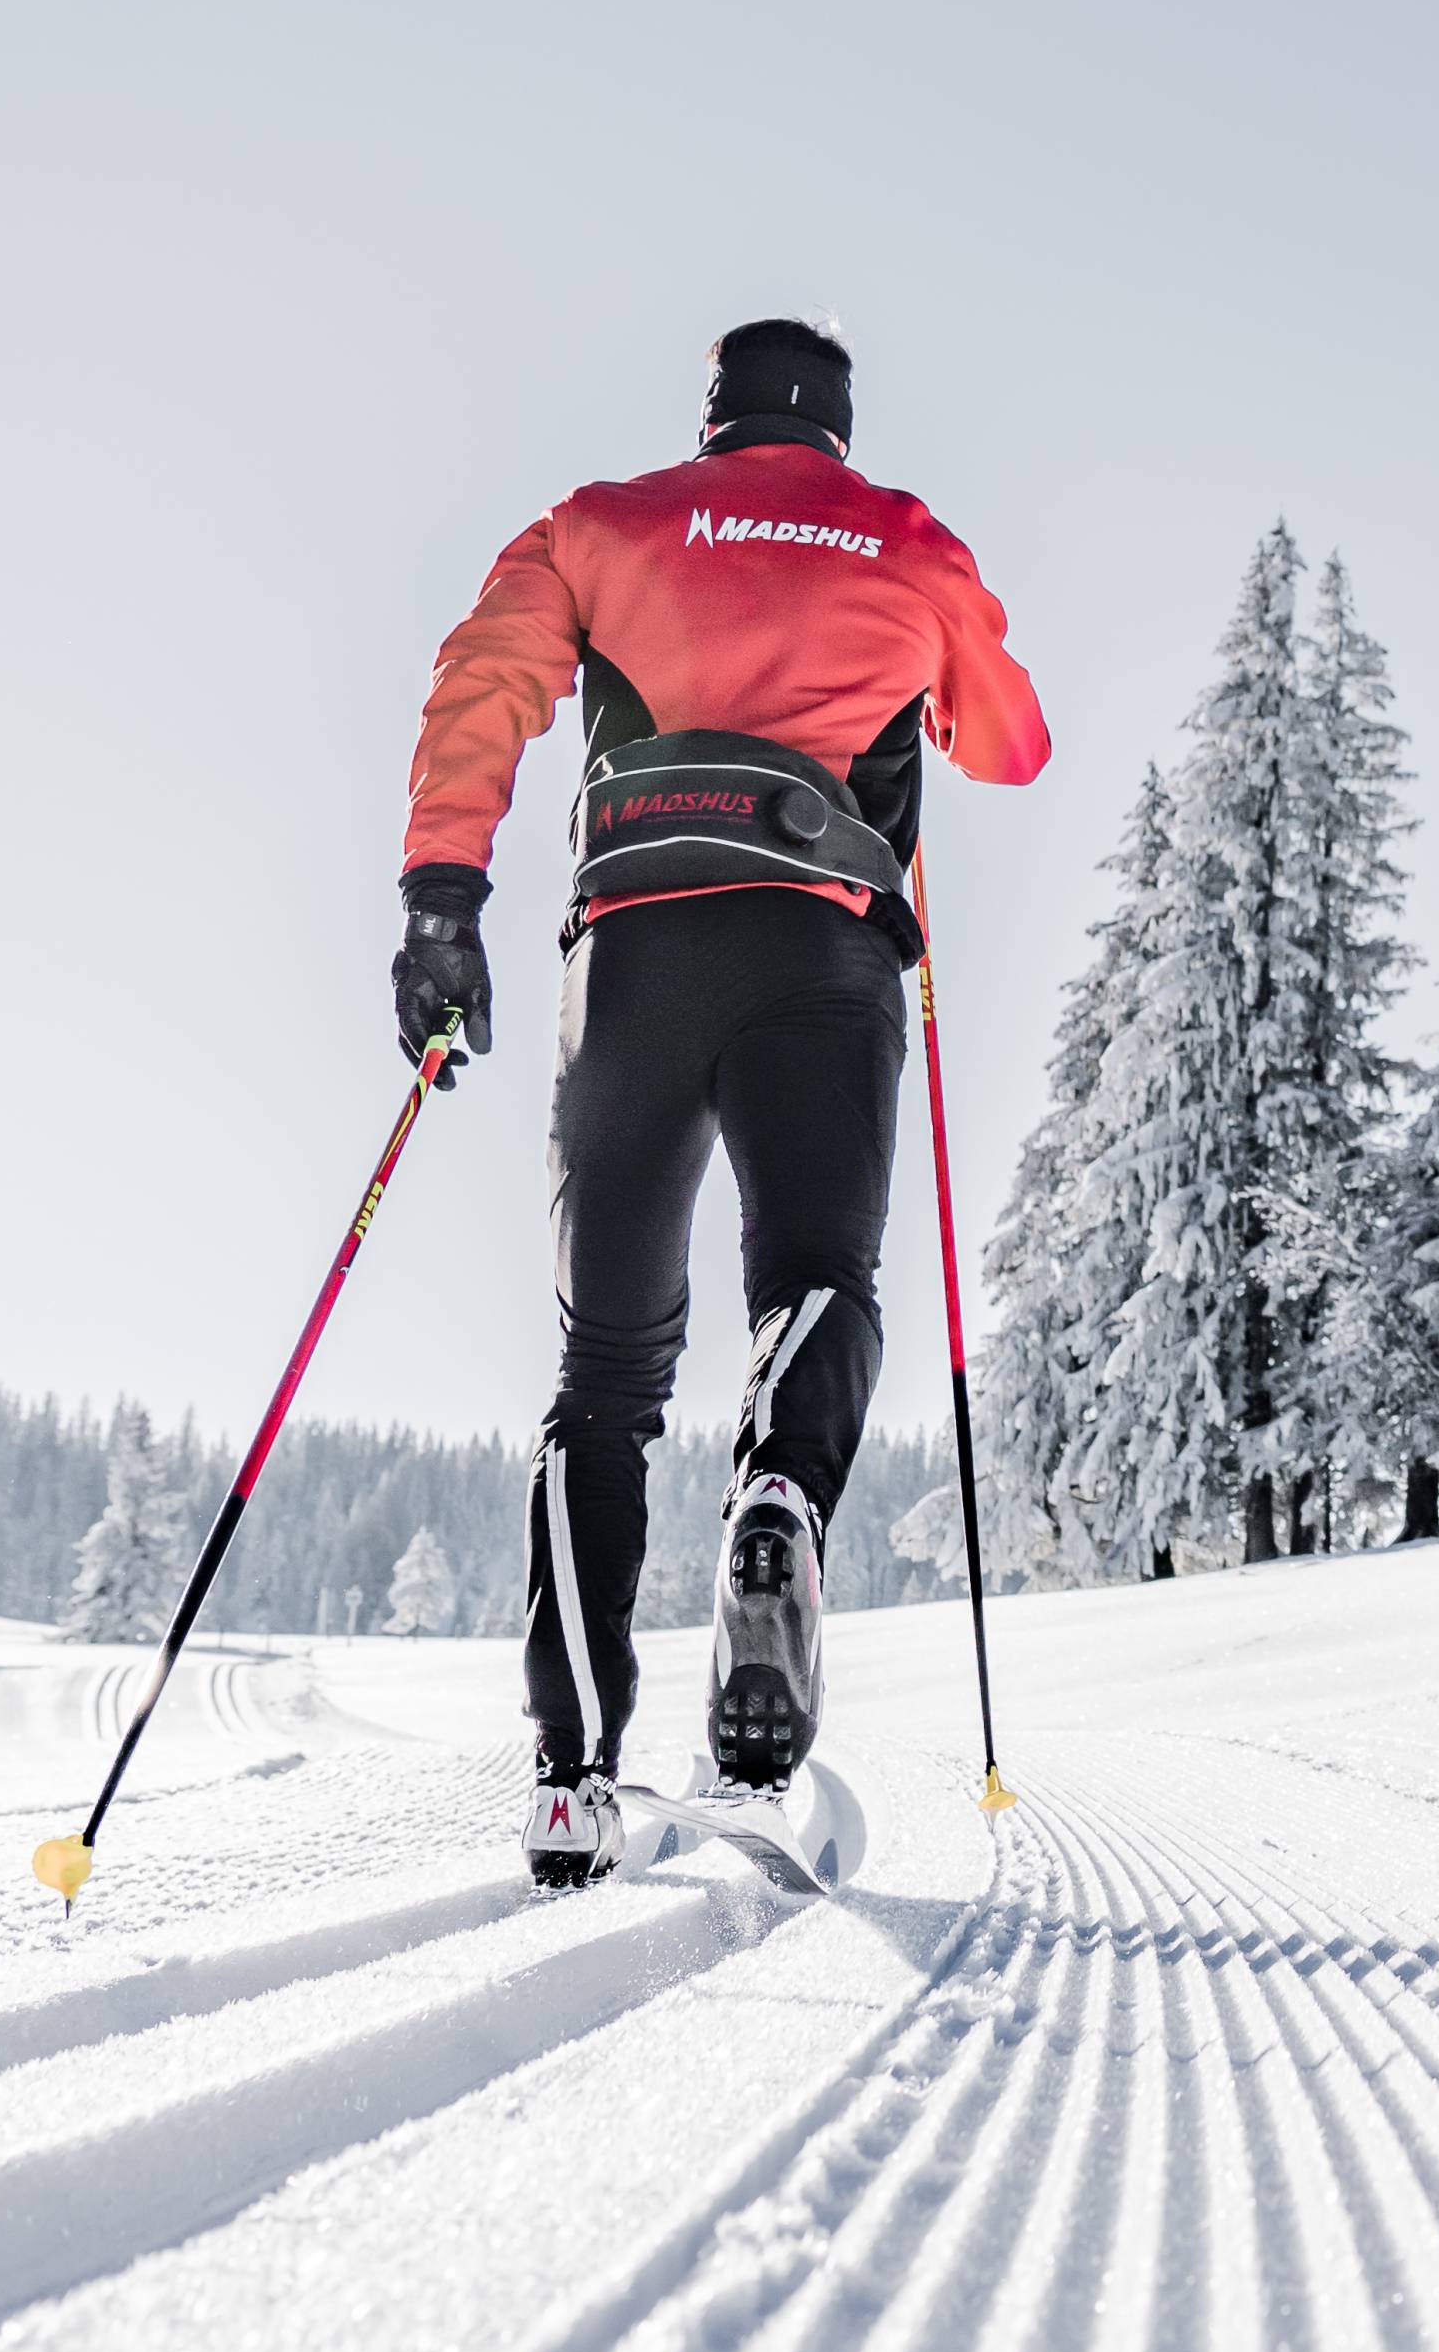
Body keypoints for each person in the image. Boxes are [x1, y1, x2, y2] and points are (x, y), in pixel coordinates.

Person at [393, 318, 1049, 1886]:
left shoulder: (600, 525)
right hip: (820, 944)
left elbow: (482, 682)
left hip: (627, 950)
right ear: (833, 426)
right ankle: (776, 1494)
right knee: (818, 1277)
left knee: (602, 1373)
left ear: (714, 423)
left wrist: (440, 900)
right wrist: (915, 700)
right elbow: (1013, 745)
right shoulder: (906, 542)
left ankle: (570, 1773)